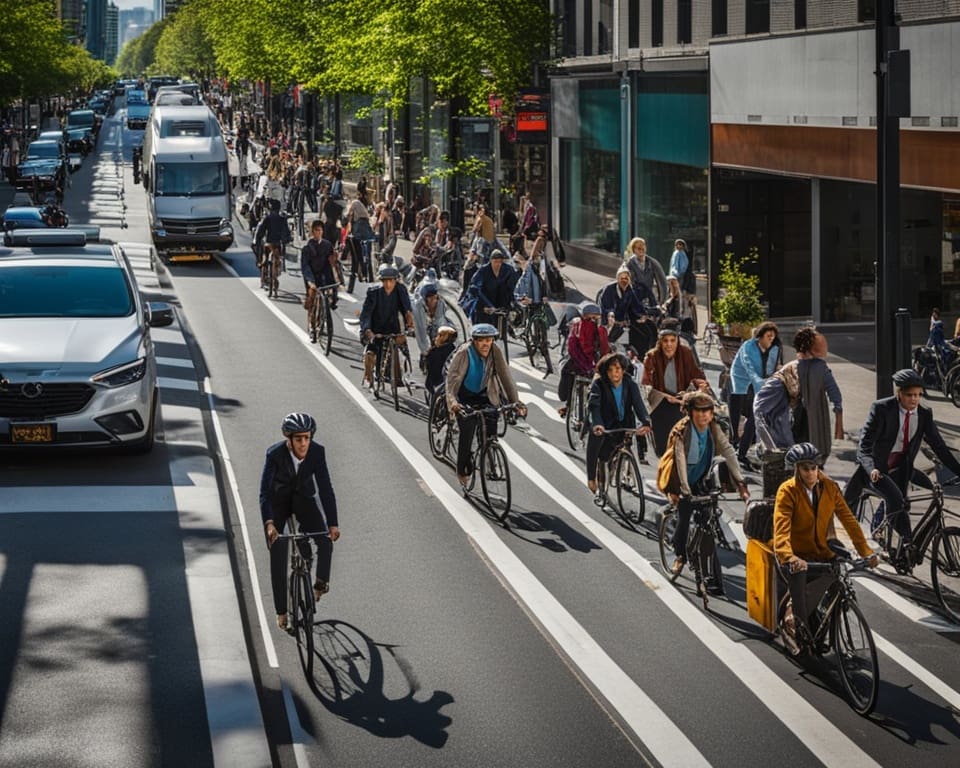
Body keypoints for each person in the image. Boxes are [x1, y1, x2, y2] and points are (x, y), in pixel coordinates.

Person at [842, 369, 960, 566]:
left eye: (918, 395)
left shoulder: (923, 415)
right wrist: (871, 468)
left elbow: (939, 447)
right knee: (896, 498)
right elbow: (864, 447)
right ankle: (908, 543)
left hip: (901, 468)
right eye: (909, 395)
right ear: (899, 393)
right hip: (876, 469)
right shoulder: (881, 409)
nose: (914, 399)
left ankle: (894, 536)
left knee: (927, 493)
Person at [774, 442, 876, 653]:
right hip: (796, 556)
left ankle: (820, 624)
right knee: (801, 605)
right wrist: (789, 556)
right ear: (797, 470)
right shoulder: (787, 491)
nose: (811, 473)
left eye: (814, 468)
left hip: (821, 552)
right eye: (805, 468)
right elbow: (781, 531)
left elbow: (849, 521)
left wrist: (867, 551)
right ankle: (793, 618)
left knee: (836, 576)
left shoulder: (830, 488)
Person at [658, 391, 749, 588]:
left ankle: (706, 563)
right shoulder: (682, 431)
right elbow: (679, 461)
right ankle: (680, 555)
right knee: (684, 517)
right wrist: (684, 491)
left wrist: (741, 483)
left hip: (701, 476)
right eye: (698, 411)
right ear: (690, 413)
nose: (703, 415)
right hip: (680, 480)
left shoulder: (714, 428)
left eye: (707, 411)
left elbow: (728, 451)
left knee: (707, 517)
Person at [260, 413, 340, 631]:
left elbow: (326, 489)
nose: (304, 443)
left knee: (324, 540)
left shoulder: (317, 452)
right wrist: (269, 524)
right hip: (279, 504)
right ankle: (282, 611)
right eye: (298, 439)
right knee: (279, 549)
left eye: (307, 438)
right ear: (289, 439)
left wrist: (333, 523)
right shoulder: (275, 454)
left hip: (304, 499)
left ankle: (320, 583)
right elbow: (265, 493)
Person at [445, 324, 527, 485]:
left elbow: (506, 377)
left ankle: (487, 453)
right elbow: (451, 382)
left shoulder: (495, 351)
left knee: (490, 429)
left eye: (489, 340)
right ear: (474, 341)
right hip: (464, 396)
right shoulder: (464, 353)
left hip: (485, 394)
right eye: (481, 341)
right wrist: (453, 403)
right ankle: (462, 469)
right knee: (467, 431)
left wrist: (515, 401)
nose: (486, 344)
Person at [754, 327, 843, 460]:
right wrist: (838, 411)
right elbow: (834, 391)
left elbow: (763, 402)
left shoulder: (797, 366)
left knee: (788, 437)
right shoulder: (818, 367)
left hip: (790, 409)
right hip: (792, 408)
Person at [586, 352, 654, 493]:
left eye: (617, 369)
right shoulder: (599, 384)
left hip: (624, 424)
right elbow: (594, 406)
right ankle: (592, 478)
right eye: (610, 370)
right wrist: (598, 423)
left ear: (623, 370)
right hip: (604, 425)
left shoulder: (630, 384)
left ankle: (624, 471)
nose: (614, 373)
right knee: (597, 446)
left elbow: (639, 405)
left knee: (627, 444)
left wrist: (646, 422)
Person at [642, 321, 709, 455]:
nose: (669, 345)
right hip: (660, 404)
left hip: (680, 401)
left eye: (673, 340)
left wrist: (701, 387)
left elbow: (696, 374)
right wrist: (665, 396)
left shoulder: (685, 353)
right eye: (665, 341)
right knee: (664, 449)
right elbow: (646, 384)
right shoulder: (652, 356)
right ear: (660, 342)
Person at [729, 322, 782, 465]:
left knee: (755, 417)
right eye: (768, 336)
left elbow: (774, 368)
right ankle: (734, 441)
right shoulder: (748, 346)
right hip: (741, 380)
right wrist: (760, 383)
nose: (771, 339)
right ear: (760, 336)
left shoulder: (775, 348)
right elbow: (749, 367)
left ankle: (742, 452)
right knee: (736, 415)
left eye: (773, 336)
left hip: (760, 384)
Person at [359, 264, 414, 387]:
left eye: (391, 281)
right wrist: (367, 329)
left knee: (400, 347)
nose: (388, 284)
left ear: (395, 280)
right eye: (385, 281)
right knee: (372, 351)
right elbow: (366, 313)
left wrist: (410, 324)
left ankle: (398, 375)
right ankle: (369, 373)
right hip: (375, 327)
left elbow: (407, 310)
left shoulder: (400, 290)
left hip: (392, 326)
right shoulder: (374, 292)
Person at [557, 301, 609, 418]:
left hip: (593, 364)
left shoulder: (601, 331)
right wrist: (588, 366)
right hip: (576, 362)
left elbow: (604, 349)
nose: (592, 321)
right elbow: (573, 350)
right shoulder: (576, 328)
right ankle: (569, 404)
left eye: (595, 318)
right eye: (589, 318)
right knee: (567, 385)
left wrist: (601, 365)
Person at [598, 265, 660, 357]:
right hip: (609, 322)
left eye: (626, 278)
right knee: (609, 344)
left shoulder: (629, 290)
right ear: (617, 278)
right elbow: (606, 307)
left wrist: (646, 313)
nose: (624, 280)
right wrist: (610, 315)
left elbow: (637, 306)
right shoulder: (609, 289)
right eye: (622, 278)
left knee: (646, 331)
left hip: (623, 324)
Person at [301, 220, 337, 342]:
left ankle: (324, 316)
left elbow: (332, 264)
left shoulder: (327, 245)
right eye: (316, 230)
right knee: (312, 297)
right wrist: (310, 281)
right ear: (312, 232)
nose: (319, 233)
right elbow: (305, 266)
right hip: (311, 275)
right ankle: (311, 327)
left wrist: (336, 282)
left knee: (329, 295)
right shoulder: (307, 248)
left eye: (321, 230)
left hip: (324, 275)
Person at [462, 249, 519, 325]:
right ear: (491, 261)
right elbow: (474, 289)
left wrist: (514, 303)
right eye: (495, 262)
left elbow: (513, 286)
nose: (498, 264)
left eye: (500, 262)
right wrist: (485, 305)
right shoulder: (483, 271)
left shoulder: (508, 270)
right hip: (484, 304)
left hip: (501, 305)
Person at [412, 280, 449, 365]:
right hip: (423, 318)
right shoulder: (418, 306)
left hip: (435, 321)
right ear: (425, 299)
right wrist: (425, 349)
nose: (433, 300)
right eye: (430, 298)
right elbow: (420, 330)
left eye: (434, 297)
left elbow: (440, 323)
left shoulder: (441, 304)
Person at [624, 237, 667, 303]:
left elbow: (662, 283)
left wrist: (661, 302)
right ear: (634, 249)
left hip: (649, 298)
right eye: (638, 248)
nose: (641, 250)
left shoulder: (653, 263)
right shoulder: (628, 264)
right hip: (634, 299)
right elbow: (623, 282)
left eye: (643, 248)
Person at [424, 325, 458, 394]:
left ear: (443, 337)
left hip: (437, 384)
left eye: (439, 335)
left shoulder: (434, 352)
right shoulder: (455, 350)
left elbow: (431, 371)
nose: (436, 338)